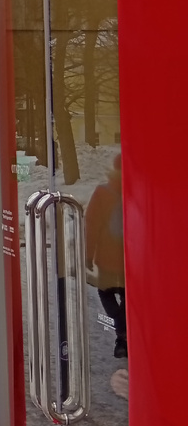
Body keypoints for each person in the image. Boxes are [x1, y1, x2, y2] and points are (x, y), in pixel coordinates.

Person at [85, 153, 127, 359]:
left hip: (107, 258)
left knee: (106, 292)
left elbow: (92, 226)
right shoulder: (138, 191)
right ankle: (125, 336)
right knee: (129, 296)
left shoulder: (103, 192)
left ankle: (122, 333)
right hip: (132, 259)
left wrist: (87, 255)